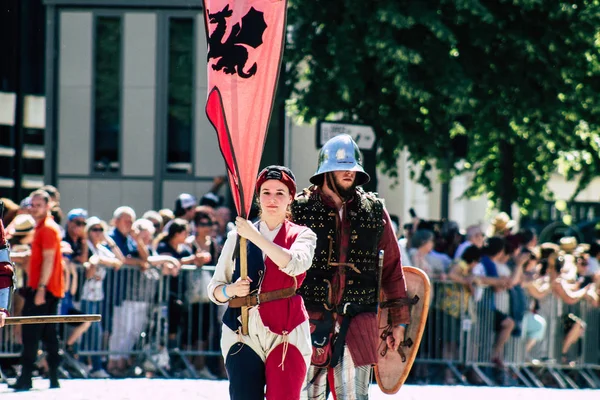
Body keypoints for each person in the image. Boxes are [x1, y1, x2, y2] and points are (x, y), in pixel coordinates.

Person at [290, 134, 411, 400]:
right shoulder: (299, 209)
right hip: (308, 319)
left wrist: (399, 322)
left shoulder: (374, 210)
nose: (349, 172)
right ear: (325, 171)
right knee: (307, 397)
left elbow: (392, 267)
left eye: (353, 168)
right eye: (342, 166)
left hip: (359, 321)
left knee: (355, 397)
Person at [208, 165, 317, 400]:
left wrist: (253, 236)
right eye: (266, 192)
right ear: (258, 197)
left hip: (287, 332)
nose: (272, 199)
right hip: (241, 330)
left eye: (280, 192)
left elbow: (295, 264)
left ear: (290, 198)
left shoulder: (303, 235)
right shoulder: (235, 237)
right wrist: (230, 290)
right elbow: (214, 290)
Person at [11, 189, 64, 391]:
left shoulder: (47, 229)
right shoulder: (43, 228)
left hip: (44, 289)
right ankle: (53, 378)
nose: (33, 209)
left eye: (38, 205)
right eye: (32, 205)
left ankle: (26, 378)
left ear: (48, 206)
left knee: (31, 331)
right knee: (49, 334)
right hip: (49, 288)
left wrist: (41, 288)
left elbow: (49, 260)